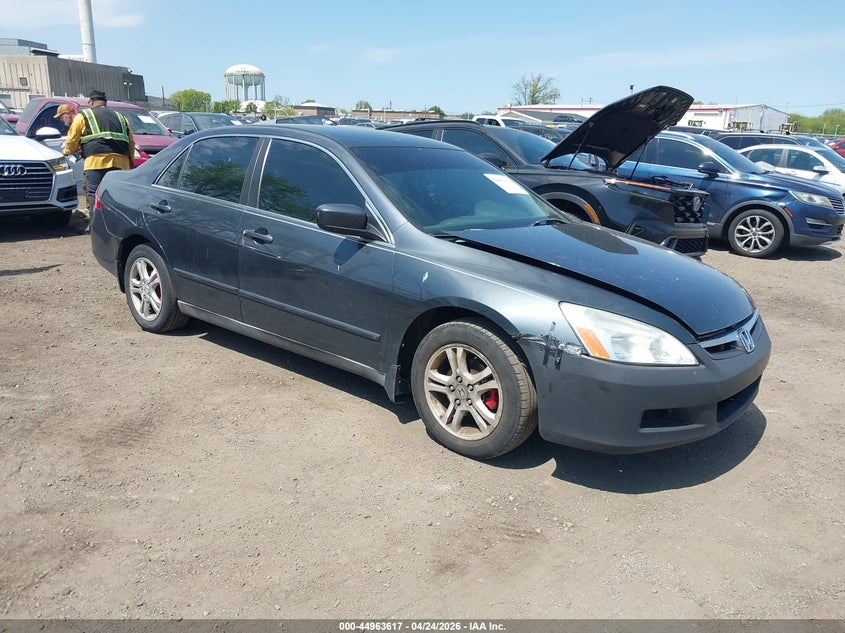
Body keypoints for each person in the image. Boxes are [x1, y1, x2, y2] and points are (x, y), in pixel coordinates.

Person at [63, 90, 134, 232]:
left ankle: (96, 230)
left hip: (96, 162)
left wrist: (66, 152)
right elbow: (131, 142)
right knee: (116, 198)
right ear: (105, 102)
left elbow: (72, 140)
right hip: (121, 163)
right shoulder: (121, 117)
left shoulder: (84, 116)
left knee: (95, 195)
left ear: (91, 102)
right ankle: (118, 229)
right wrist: (130, 162)